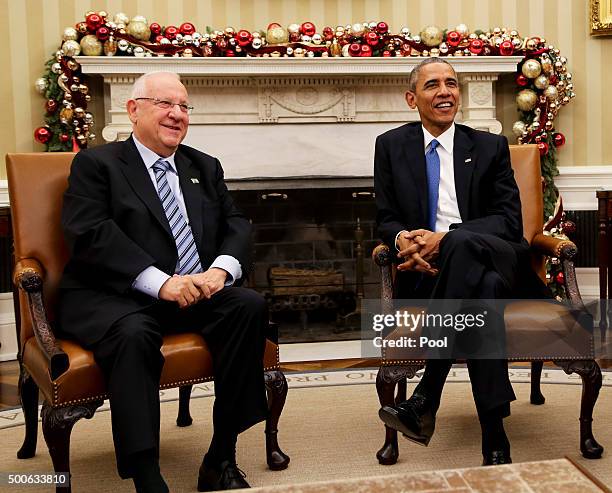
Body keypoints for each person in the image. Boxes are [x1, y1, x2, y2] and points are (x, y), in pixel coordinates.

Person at [57, 71, 267, 492]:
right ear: (133, 110)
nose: (177, 114)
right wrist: (159, 282)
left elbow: (236, 222)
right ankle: (146, 474)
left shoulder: (202, 166)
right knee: (135, 333)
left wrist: (220, 271)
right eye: (164, 103)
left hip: (192, 291)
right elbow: (90, 233)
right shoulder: (97, 164)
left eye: (184, 106)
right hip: (116, 295)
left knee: (248, 305)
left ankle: (221, 455)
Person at [374, 58, 543, 466]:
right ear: (412, 98)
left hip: (501, 261)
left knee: (462, 244)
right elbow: (385, 218)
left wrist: (445, 239)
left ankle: (427, 394)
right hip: (438, 276)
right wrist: (405, 242)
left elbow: (509, 223)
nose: (445, 91)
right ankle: (494, 433)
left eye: (452, 83)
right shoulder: (391, 146)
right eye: (433, 85)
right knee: (479, 289)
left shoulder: (488, 146)